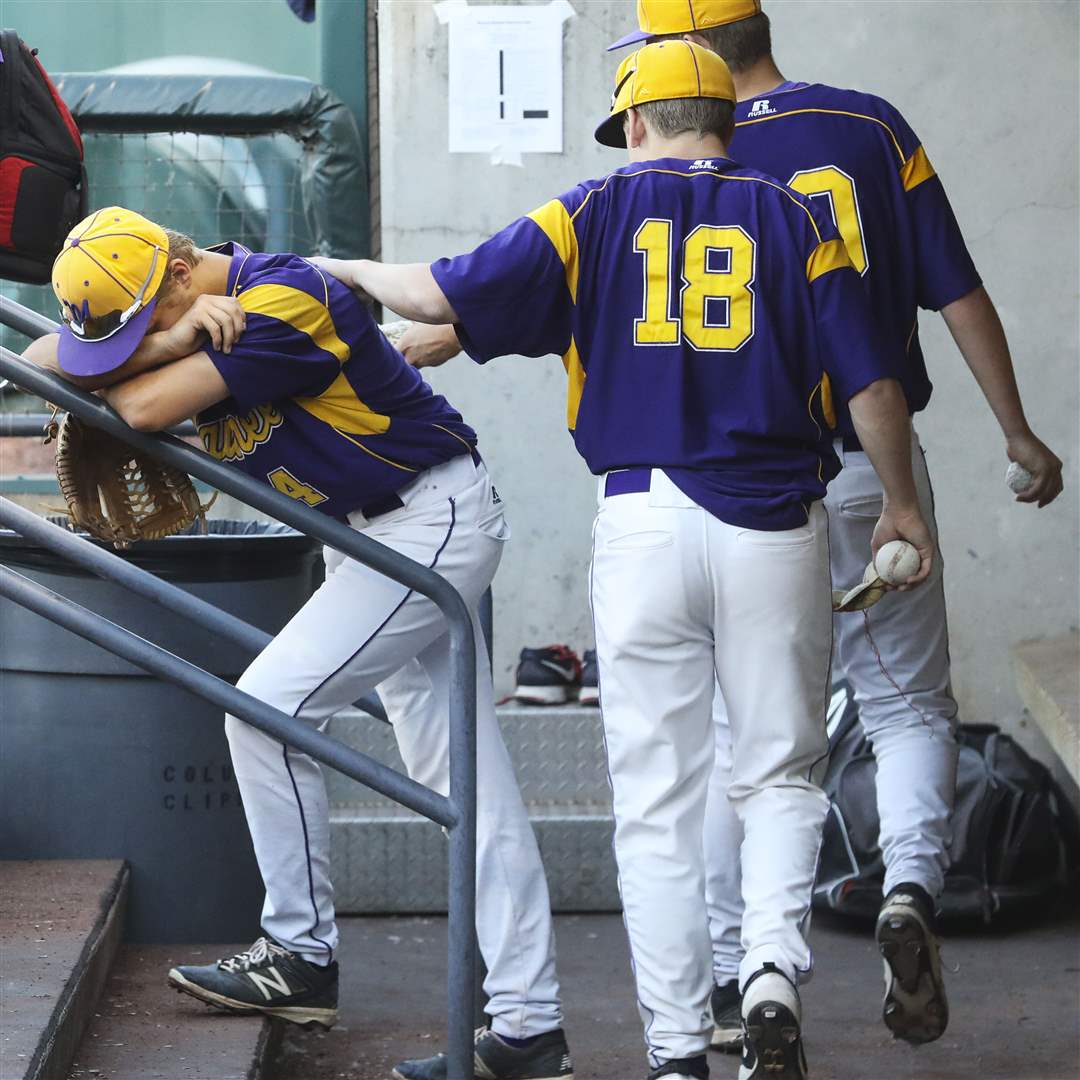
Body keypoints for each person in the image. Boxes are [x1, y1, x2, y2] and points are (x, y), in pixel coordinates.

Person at [313, 40, 934, 1080]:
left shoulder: (591, 210)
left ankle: (677, 1053)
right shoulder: (798, 217)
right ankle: (768, 972)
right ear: (726, 121)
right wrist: (903, 506)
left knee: (655, 808)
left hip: (642, 521)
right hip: (773, 525)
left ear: (637, 123)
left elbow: (427, 296)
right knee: (780, 776)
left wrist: (337, 270)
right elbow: (875, 387)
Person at [604, 0, 1065, 1054]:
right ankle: (910, 885)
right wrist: (1017, 431)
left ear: (682, 59)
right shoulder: (869, 126)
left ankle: (737, 977)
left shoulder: (664, 166)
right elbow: (957, 290)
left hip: (745, 483)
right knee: (904, 702)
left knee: (747, 742)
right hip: (873, 462)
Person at [26, 206, 575, 1080]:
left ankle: (300, 951)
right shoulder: (195, 308)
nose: (136, 344)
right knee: (465, 784)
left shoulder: (284, 301)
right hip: (371, 535)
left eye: (146, 321)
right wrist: (171, 336)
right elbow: (39, 356)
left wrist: (154, 354)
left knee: (266, 711)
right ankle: (529, 1028)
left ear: (179, 272)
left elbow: (140, 405)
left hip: (424, 525)